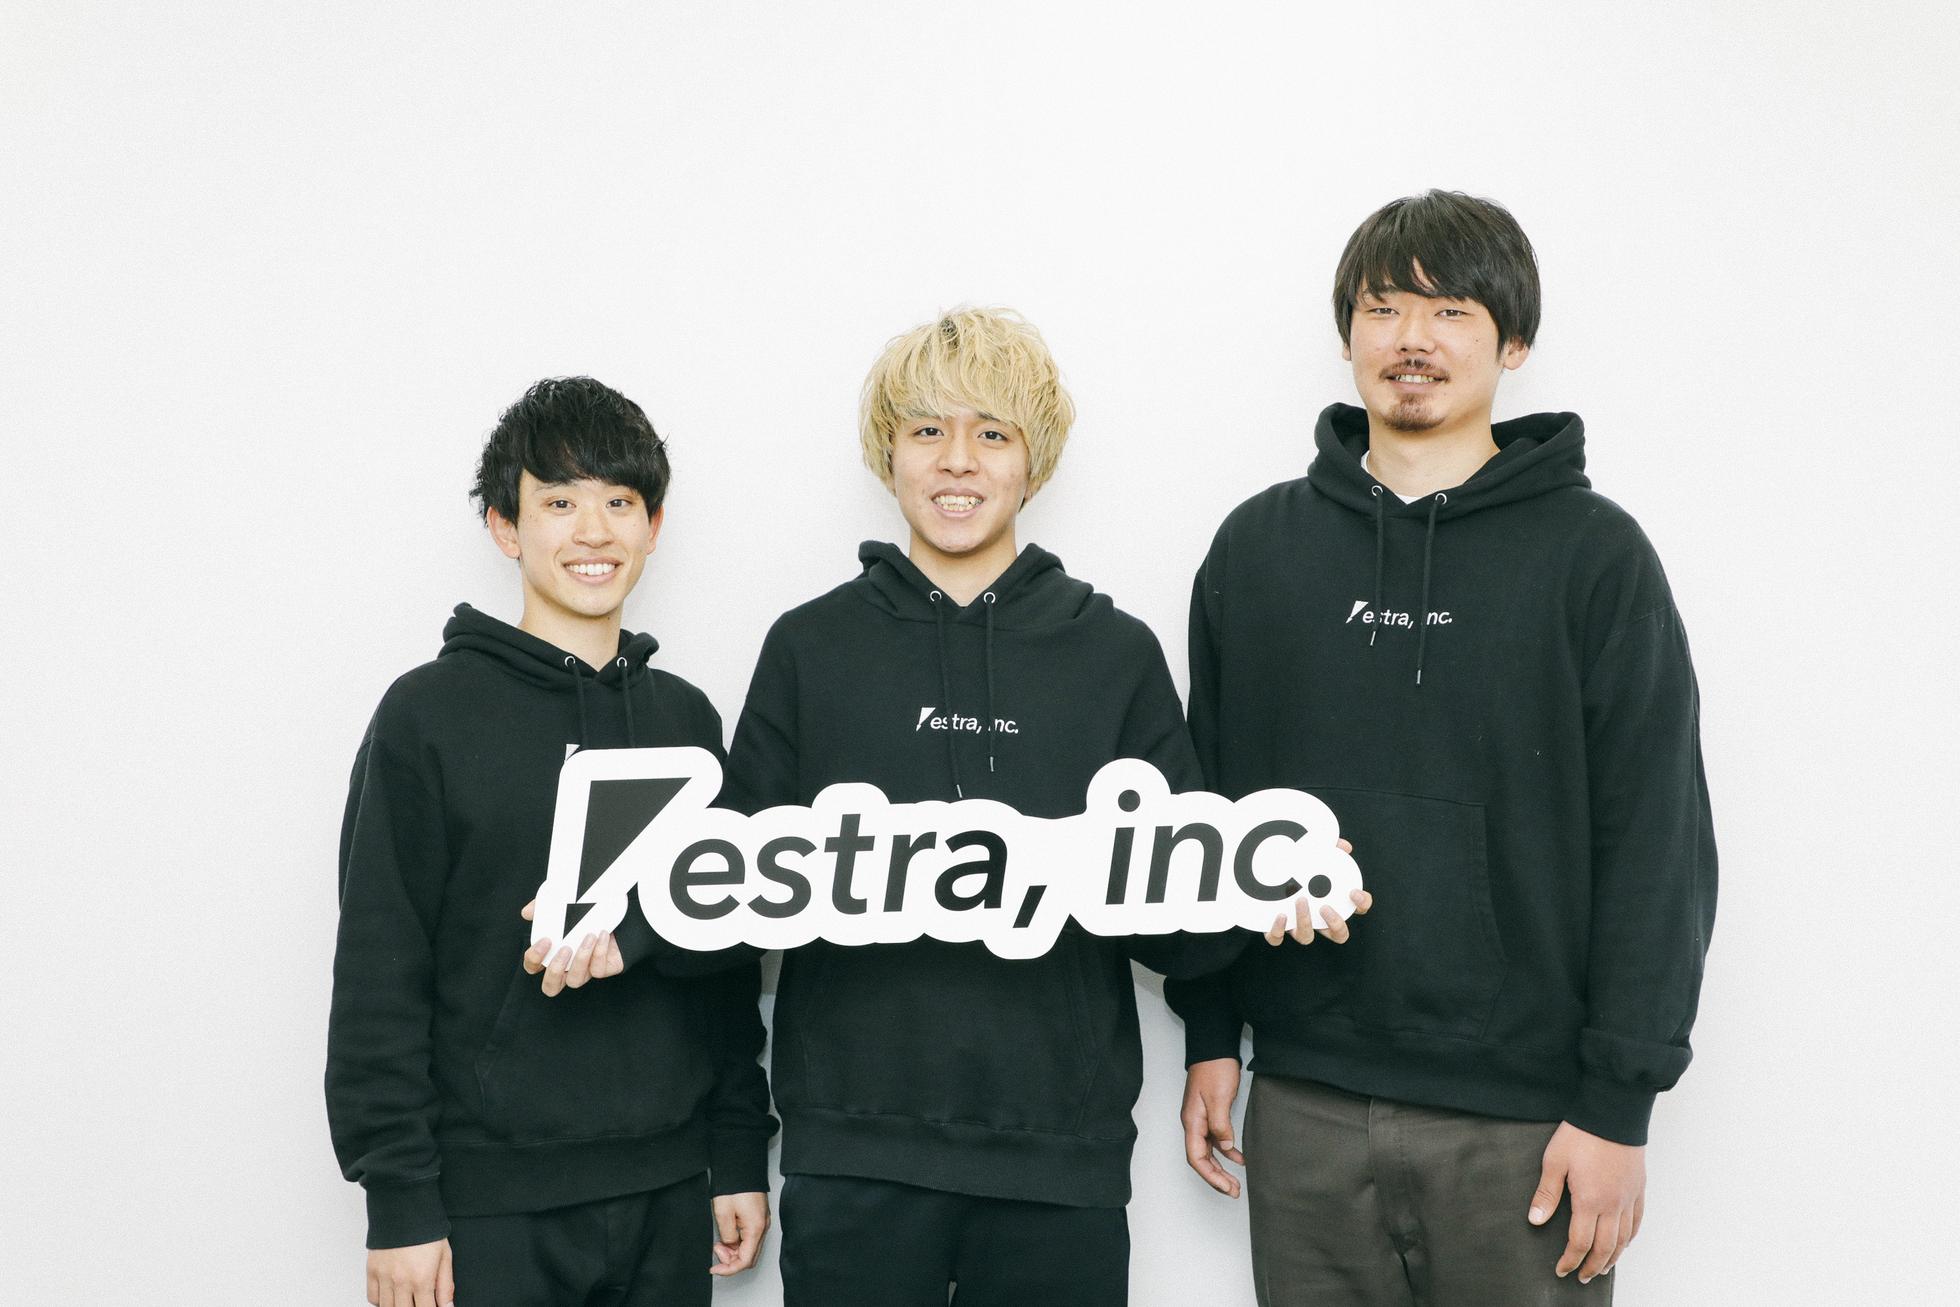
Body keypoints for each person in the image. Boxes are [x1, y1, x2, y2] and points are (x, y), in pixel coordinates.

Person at [720, 306, 1364, 1306]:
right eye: (927, 430)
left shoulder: (1112, 654)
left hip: (1059, 1159)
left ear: (1034, 461)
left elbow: (1181, 920)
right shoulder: (809, 649)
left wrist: (1263, 891)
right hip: (851, 1154)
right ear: (888, 454)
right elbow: (727, 908)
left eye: (992, 432)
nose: (957, 461)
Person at [1168, 190, 1717, 1305]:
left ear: (1513, 342)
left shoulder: (1594, 557)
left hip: (1525, 1122)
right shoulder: (1257, 550)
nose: (1411, 338)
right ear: (1346, 335)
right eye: (1383, 308)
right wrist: (1210, 1031)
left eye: (1451, 310)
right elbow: (1206, 811)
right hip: (1305, 1101)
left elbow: (1657, 841)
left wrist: (1618, 1104)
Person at [325, 377, 773, 1307]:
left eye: (620, 502)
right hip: (491, 1205)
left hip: (667, 1189)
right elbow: (379, 967)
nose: (593, 531)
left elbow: (726, 957)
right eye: (559, 502)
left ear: (654, 524)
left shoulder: (687, 722)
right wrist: (399, 1200)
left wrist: (736, 1151)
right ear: (505, 526)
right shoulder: (427, 716)